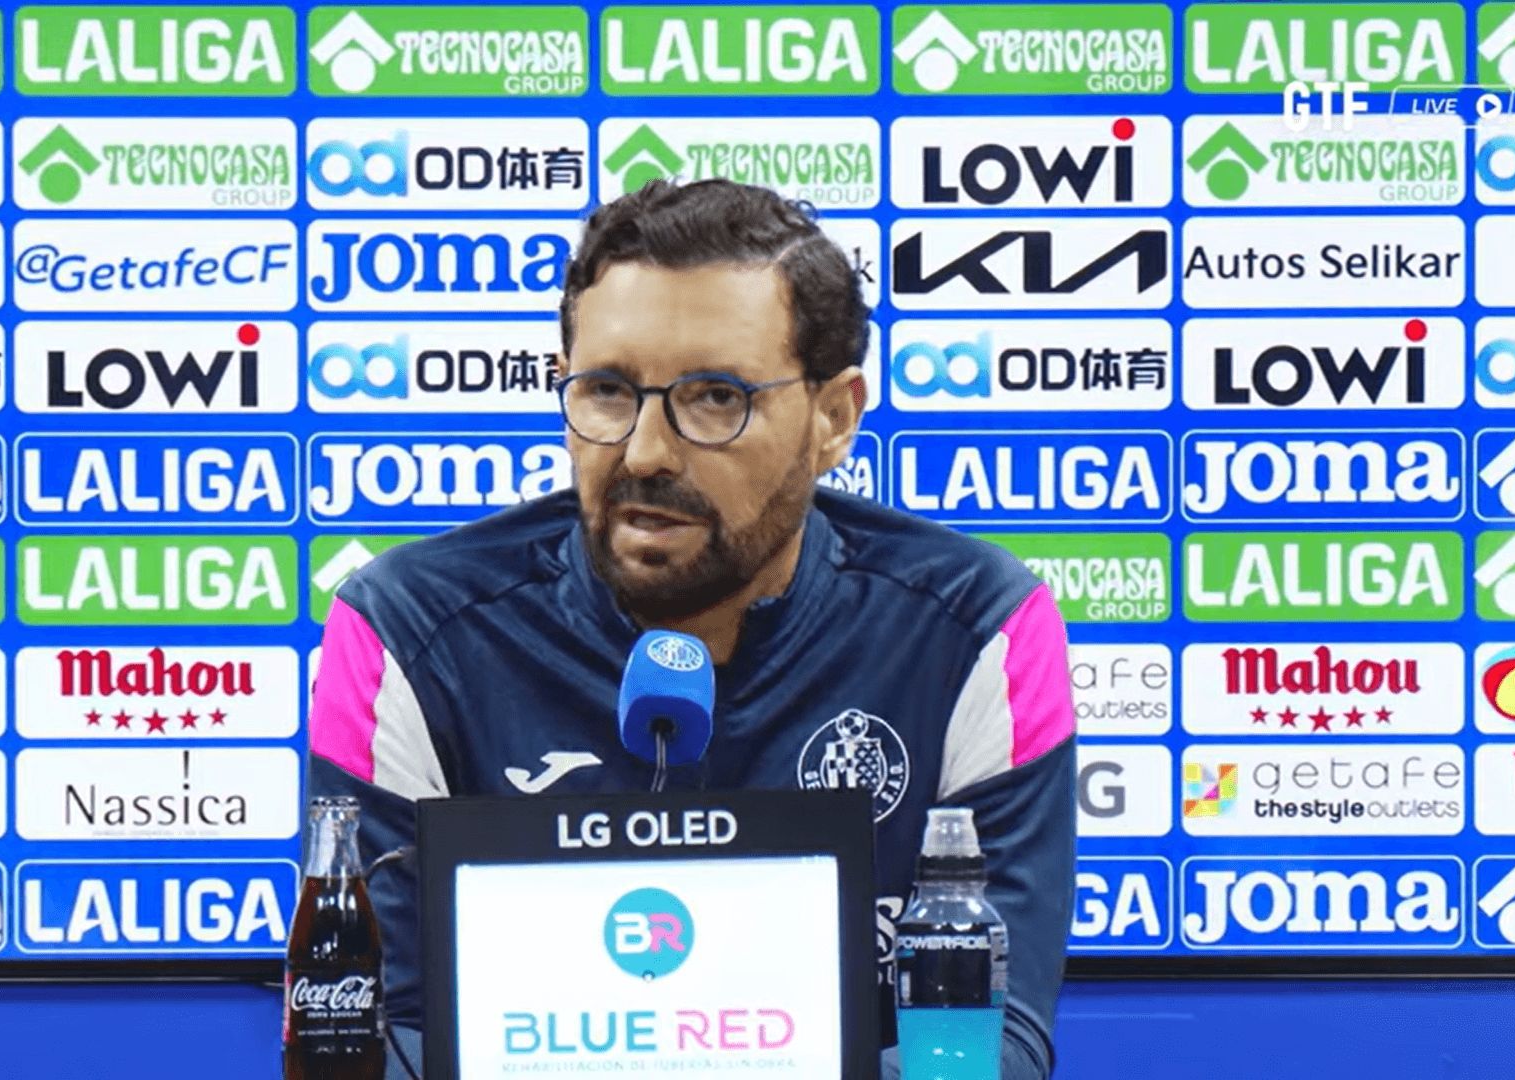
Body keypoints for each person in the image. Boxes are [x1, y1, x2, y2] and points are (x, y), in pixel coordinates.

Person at [306, 178, 1077, 1079]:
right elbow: (372, 1040)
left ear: (835, 417)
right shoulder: (406, 632)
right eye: (604, 391)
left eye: (715, 398)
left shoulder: (977, 630)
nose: (643, 452)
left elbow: (990, 1042)